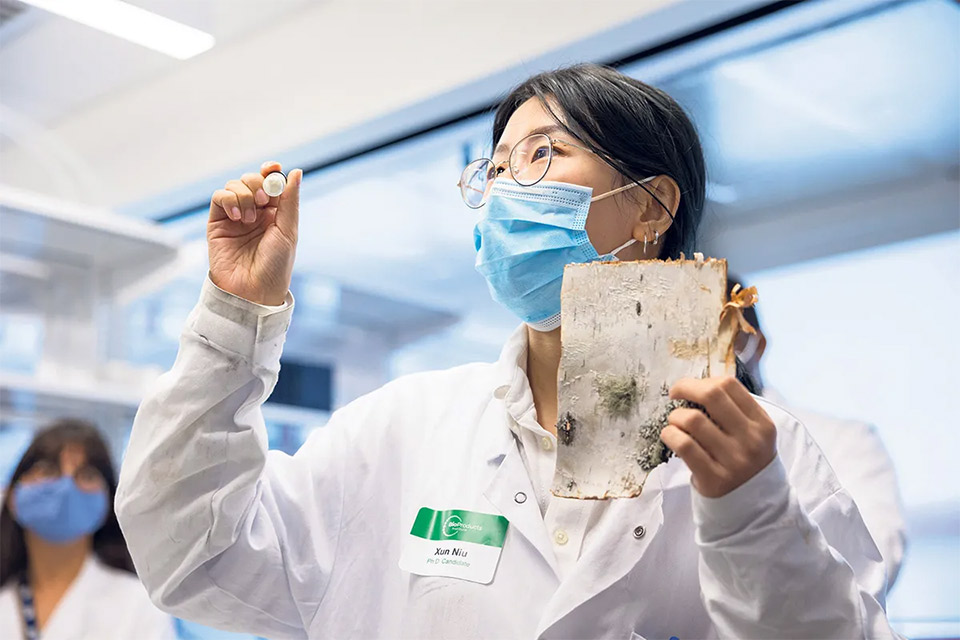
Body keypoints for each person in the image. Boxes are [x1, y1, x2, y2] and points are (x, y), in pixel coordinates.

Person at [116, 64, 902, 639]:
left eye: (541, 155)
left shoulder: (769, 457)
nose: (503, 190)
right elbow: (192, 558)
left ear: (652, 206)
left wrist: (750, 517)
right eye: (493, 169)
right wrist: (235, 317)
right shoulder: (405, 426)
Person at [728, 275, 908, 590]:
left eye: (726, 338)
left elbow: (870, 575)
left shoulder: (849, 441)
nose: (711, 356)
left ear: (759, 344)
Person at [0, 419, 175, 640]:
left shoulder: (138, 606)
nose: (66, 487)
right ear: (12, 496)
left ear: (108, 502)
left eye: (86, 475)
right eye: (48, 470)